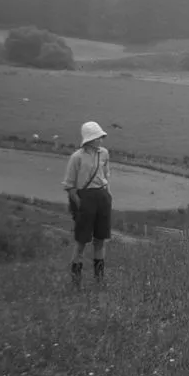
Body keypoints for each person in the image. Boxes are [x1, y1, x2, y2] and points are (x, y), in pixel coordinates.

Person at [62, 121, 113, 289]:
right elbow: (69, 185)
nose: (100, 140)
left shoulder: (104, 154)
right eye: (97, 137)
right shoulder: (77, 157)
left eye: (101, 137)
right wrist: (79, 204)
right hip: (85, 198)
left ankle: (99, 280)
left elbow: (106, 176)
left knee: (101, 239)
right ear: (89, 139)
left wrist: (108, 195)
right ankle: (76, 282)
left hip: (102, 196)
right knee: (82, 241)